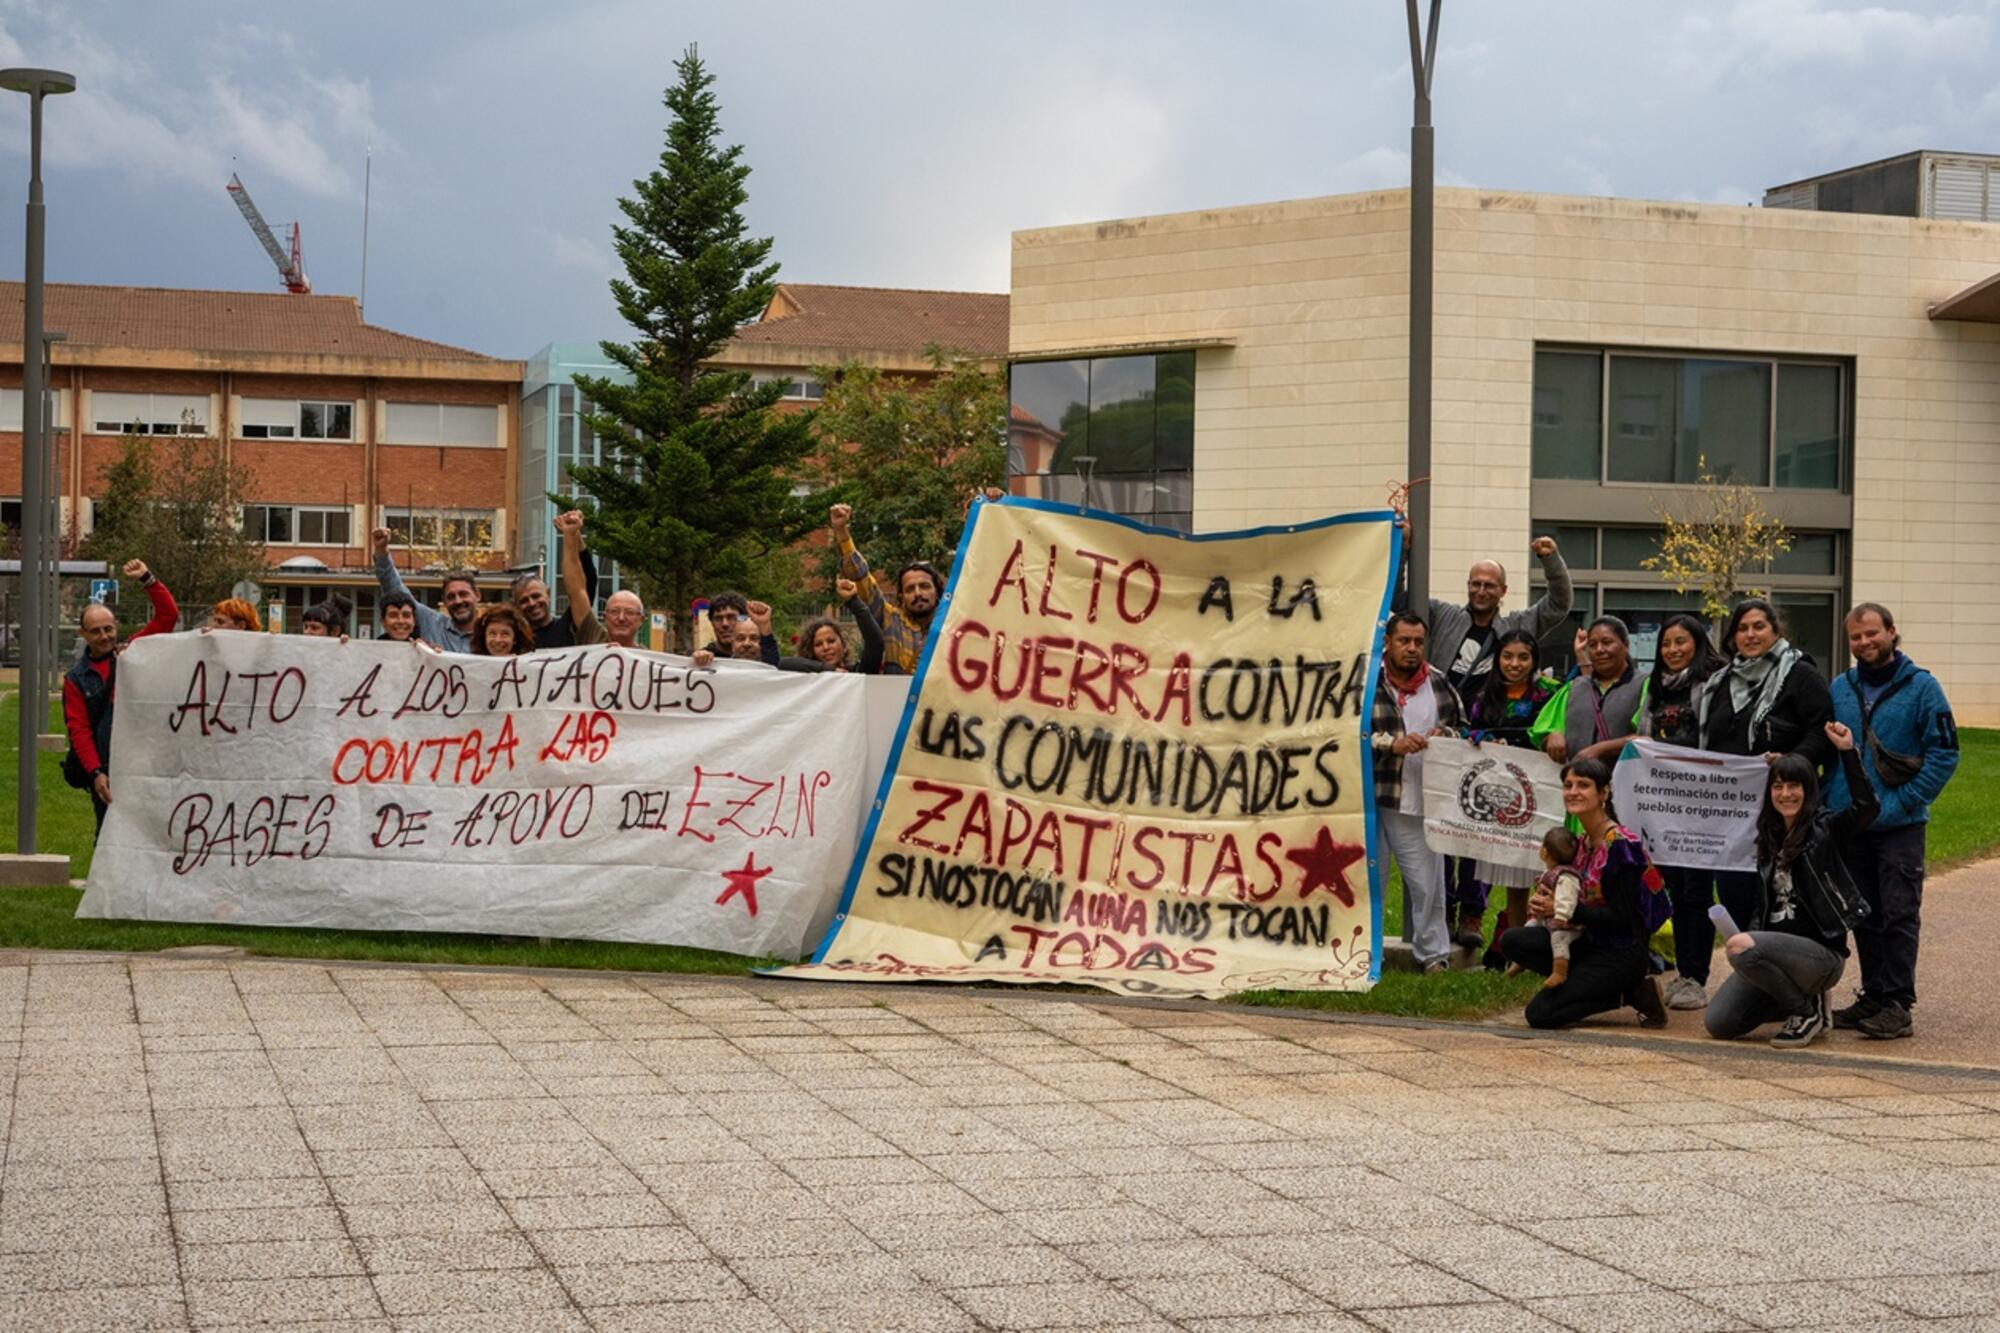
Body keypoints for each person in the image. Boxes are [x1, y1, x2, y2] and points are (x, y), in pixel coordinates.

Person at [1824, 603, 1961, 1040]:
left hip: (1900, 824)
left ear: (1891, 632)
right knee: (1863, 913)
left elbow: (1944, 752)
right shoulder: (1840, 688)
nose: (1864, 643)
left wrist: (1906, 801)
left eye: (1871, 634)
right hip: (1853, 823)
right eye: (1856, 638)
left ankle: (1899, 1004)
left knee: (1899, 913)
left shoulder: (1923, 688)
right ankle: (1875, 994)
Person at [1706, 722, 1874, 1049]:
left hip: (1821, 956)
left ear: (1809, 790)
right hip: (1775, 954)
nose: (1786, 795)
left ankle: (1805, 1011)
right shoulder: (1768, 842)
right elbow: (1761, 907)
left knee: (1742, 947)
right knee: (1720, 1023)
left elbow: (1867, 808)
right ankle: (1792, 999)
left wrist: (1848, 753)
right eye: (1778, 787)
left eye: (1794, 786)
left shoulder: (1826, 829)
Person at [1498, 757, 1669, 1029]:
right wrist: (1544, 902)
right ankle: (1585, 982)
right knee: (1513, 940)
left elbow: (1623, 918)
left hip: (1620, 952)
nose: (1573, 791)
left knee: (1540, 1014)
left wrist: (1563, 910)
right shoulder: (1579, 844)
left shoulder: (1621, 848)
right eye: (1568, 785)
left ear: (1604, 793)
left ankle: (1632, 992)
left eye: (1583, 785)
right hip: (1584, 940)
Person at [1699, 598, 1832, 941]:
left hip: (1783, 810)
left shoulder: (1800, 674)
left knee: (1782, 897)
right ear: (1732, 638)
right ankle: (1753, 973)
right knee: (1736, 895)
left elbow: (1821, 732)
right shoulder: (1720, 682)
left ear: (1776, 631)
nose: (1750, 634)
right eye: (1742, 628)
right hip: (1731, 814)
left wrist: (1788, 766)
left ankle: (1795, 978)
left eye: (1759, 626)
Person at [1640, 613, 1729, 1010]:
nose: (1673, 650)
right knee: (1676, 890)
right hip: (1666, 807)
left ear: (1698, 643)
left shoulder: (1714, 683)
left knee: (1697, 890)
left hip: (1703, 806)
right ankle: (1684, 972)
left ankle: (1697, 976)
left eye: (1681, 642)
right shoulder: (1654, 689)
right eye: (1666, 644)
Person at [1455, 629, 1560, 961]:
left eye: (1523, 657)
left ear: (1535, 661)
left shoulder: (1551, 694)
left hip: (1541, 797)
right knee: (1514, 880)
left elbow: (1560, 724)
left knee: (1546, 877)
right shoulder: (1485, 696)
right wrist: (1482, 739)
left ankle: (1550, 947)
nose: (1515, 664)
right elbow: (1467, 731)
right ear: (1498, 659)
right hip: (1501, 802)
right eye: (1508, 656)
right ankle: (1519, 955)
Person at [1368, 612, 1464, 975]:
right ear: (1388, 643)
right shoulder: (1367, 684)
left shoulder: (1438, 684)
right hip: (1373, 796)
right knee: (1369, 880)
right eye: (1404, 641)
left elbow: (1464, 731)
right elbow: (1346, 732)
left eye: (1418, 642)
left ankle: (1433, 955)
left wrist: (1445, 738)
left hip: (1419, 798)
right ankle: (1365, 953)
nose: (1411, 649)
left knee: (1427, 885)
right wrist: (1391, 745)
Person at [64, 561, 178, 833]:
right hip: (107, 768)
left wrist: (148, 579)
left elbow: (168, 616)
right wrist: (96, 773)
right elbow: (79, 731)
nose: (104, 636)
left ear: (115, 626)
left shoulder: (133, 651)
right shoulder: (76, 680)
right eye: (96, 631)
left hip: (143, 760)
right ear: (83, 634)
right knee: (109, 835)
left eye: (108, 628)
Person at [1403, 524, 1573, 700]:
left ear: (1503, 590)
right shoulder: (1442, 615)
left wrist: (1551, 561)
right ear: (1468, 585)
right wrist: (1402, 547)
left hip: (1492, 722)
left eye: (1490, 585)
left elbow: (1558, 605)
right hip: (1444, 720)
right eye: (1476, 584)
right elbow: (1398, 599)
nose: (1481, 591)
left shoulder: (1516, 627)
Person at [829, 503, 938, 675]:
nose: (918, 593)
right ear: (901, 596)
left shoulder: (954, 627)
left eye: (924, 586)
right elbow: (861, 578)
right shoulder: (892, 621)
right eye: (910, 589)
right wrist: (841, 530)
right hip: (895, 701)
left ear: (937, 591)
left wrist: (994, 506)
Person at [1531, 616, 1645, 765]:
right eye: (1592, 644)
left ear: (1626, 644)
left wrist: (1600, 749)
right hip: (1577, 784)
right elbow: (1540, 733)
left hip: (1626, 783)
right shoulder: (1573, 688)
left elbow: (1646, 738)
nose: (1599, 650)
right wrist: (1552, 736)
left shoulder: (1644, 684)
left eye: (1607, 642)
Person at [371, 526, 479, 652]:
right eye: (451, 597)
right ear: (444, 601)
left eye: (463, 594)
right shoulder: (431, 623)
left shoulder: (492, 635)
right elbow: (394, 589)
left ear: (477, 595)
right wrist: (381, 550)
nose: (458, 601)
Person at [511, 510, 603, 648]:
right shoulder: (512, 639)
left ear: (548, 594)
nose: (531, 603)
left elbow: (588, 581)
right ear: (516, 606)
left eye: (536, 596)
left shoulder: (570, 626)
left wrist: (573, 534)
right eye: (524, 600)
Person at [1512, 827, 1584, 988]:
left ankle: (1559, 972)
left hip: (1565, 924)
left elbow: (1567, 898)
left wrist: (1561, 916)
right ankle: (1521, 961)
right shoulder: (1551, 871)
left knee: (1559, 939)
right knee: (1528, 928)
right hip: (1545, 918)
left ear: (1544, 852)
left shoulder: (1566, 876)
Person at [837, 577, 886, 675]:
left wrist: (853, 600)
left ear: (843, 646)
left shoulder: (857, 674)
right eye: (818, 644)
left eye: (831, 641)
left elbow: (875, 644)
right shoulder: (804, 676)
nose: (825, 647)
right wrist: (827, 668)